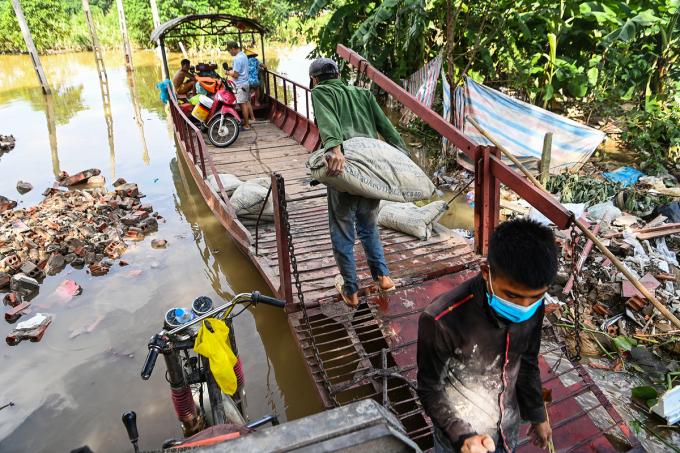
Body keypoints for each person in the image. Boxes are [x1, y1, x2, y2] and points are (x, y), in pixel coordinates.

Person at [417, 218, 555, 453]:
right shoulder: (441, 320)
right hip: (463, 436)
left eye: (534, 297)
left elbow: (528, 360)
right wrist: (462, 436)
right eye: (512, 295)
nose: (523, 307)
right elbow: (430, 388)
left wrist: (538, 414)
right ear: (485, 273)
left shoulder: (534, 305)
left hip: (508, 426)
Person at [309, 57, 408, 308]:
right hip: (371, 170)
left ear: (314, 79)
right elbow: (387, 128)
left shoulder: (321, 91)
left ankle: (351, 290)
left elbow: (328, 123)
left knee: (342, 230)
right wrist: (403, 156)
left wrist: (334, 148)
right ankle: (383, 277)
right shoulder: (363, 94)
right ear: (339, 74)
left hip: (344, 170)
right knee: (369, 225)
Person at [225, 41, 252, 130]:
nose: (229, 53)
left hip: (240, 85)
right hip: (245, 83)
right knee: (244, 103)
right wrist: (232, 70)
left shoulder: (237, 58)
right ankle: (246, 122)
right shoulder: (243, 55)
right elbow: (239, 71)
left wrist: (228, 73)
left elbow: (236, 75)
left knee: (242, 104)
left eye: (229, 51)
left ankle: (247, 125)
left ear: (233, 48)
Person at [245, 49, 266, 120]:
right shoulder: (256, 60)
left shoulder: (245, 61)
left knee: (248, 91)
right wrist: (265, 69)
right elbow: (264, 66)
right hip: (255, 80)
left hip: (247, 81)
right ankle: (256, 102)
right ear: (253, 55)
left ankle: (249, 102)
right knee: (257, 89)